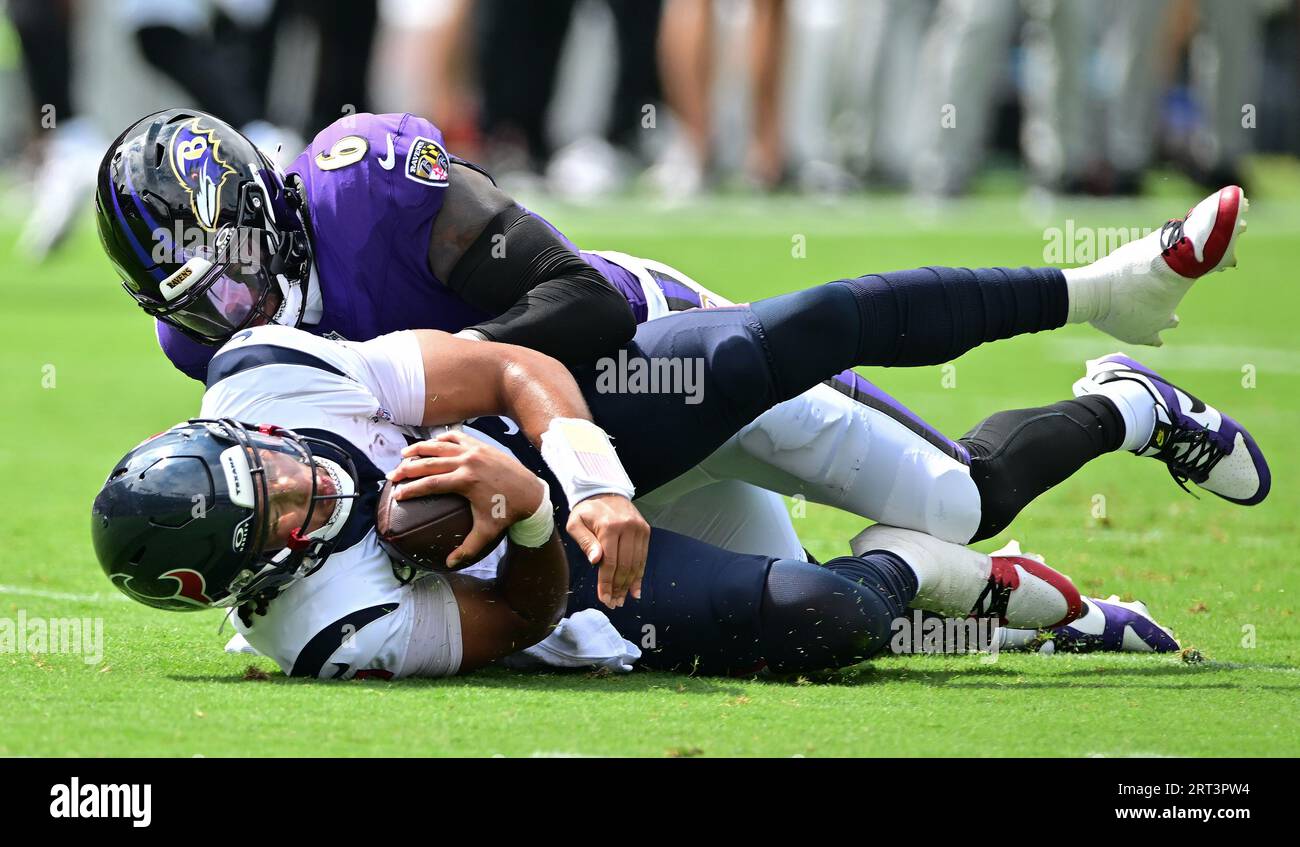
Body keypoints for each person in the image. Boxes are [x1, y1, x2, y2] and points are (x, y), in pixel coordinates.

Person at [94, 108, 1265, 565]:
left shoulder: (367, 186)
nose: (227, 317)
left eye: (229, 282)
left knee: (956, 504)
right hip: (572, 473)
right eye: (193, 305)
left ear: (255, 209)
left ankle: (1124, 390)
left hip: (659, 357)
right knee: (818, 597)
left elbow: (580, 299)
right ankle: (1055, 620)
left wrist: (487, 404)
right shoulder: (206, 352)